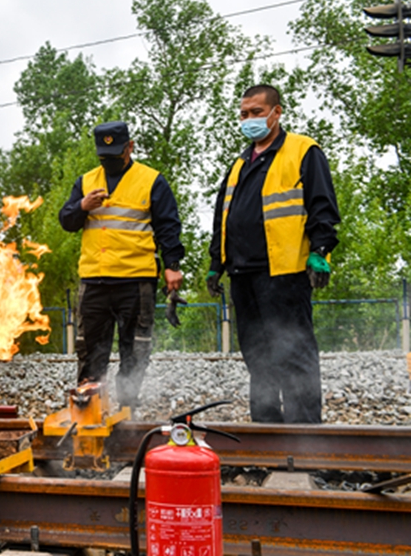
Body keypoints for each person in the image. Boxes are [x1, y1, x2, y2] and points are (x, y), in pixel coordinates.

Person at [207, 84, 340, 424]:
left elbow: (322, 206)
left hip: (283, 273)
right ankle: (267, 431)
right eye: (244, 114)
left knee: (294, 352)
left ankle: (304, 434)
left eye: (256, 112)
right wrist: (215, 265)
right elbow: (223, 217)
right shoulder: (239, 164)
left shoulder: (303, 151)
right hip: (242, 274)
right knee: (257, 356)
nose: (249, 119)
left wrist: (320, 250)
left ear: (276, 112)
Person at [59, 121, 184, 411]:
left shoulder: (152, 180)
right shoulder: (86, 181)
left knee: (135, 349)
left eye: (115, 154)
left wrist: (172, 265)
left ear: (130, 147)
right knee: (90, 351)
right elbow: (66, 220)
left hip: (135, 280)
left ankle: (127, 410)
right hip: (95, 281)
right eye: (104, 156)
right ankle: (89, 411)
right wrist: (81, 207)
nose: (109, 161)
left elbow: (168, 226)